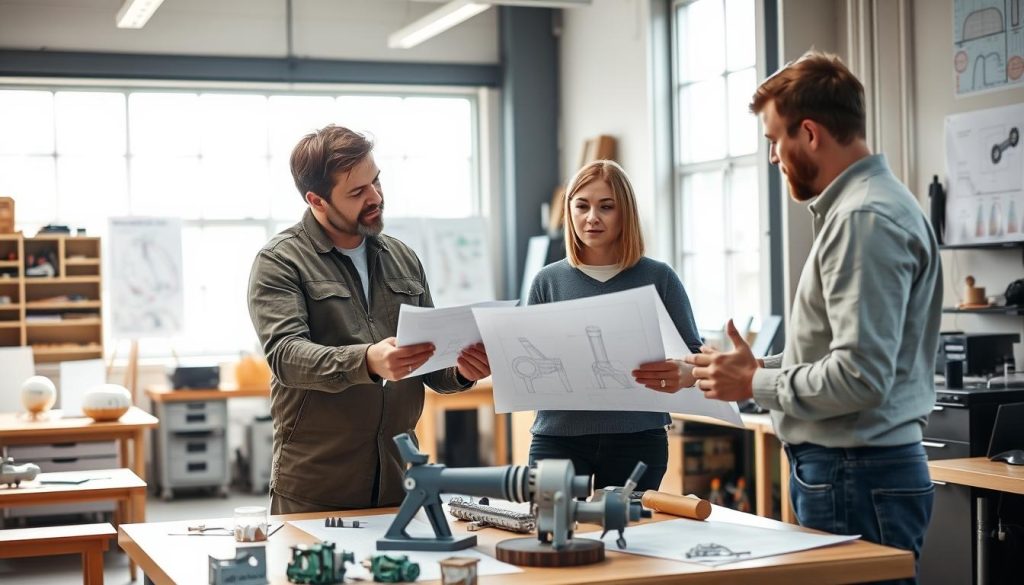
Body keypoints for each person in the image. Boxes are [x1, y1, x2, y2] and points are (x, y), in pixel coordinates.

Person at [685, 51, 941, 583]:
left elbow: (860, 376)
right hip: (859, 473)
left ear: (810, 133)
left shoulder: (863, 219)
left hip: (856, 474)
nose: (774, 158)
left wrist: (755, 380)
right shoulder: (870, 206)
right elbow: (838, 351)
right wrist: (756, 367)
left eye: (774, 141)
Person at [247, 124, 491, 514]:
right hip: (317, 486)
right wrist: (366, 361)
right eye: (357, 192)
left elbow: (429, 364)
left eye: (375, 182)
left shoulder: (403, 257)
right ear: (317, 200)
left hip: (399, 480)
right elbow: (286, 356)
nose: (375, 197)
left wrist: (462, 371)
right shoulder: (280, 262)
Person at [526, 160, 702, 491]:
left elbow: (696, 358)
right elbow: (526, 356)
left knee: (631, 538)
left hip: (637, 439)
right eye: (582, 206)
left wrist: (684, 372)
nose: (592, 217)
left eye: (606, 207)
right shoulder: (547, 281)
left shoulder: (658, 277)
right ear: (569, 212)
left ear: (625, 214)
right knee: (552, 533)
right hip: (557, 437)